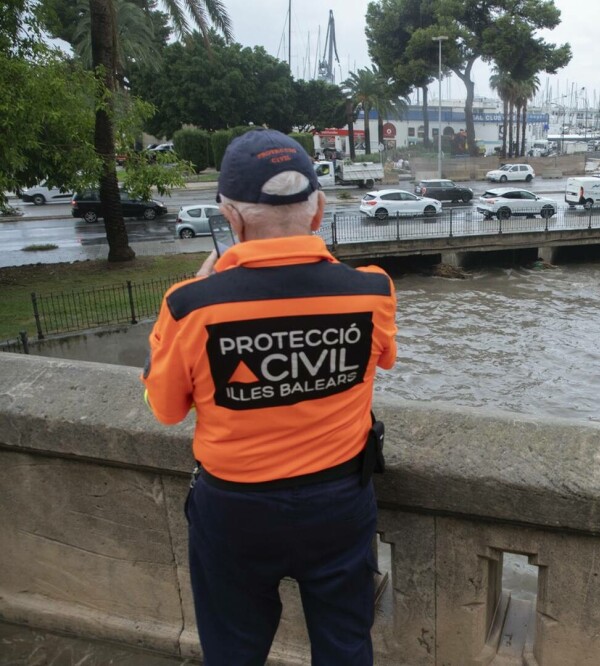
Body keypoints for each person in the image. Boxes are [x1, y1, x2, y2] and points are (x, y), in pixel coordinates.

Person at [141, 128, 397, 665]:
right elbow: (382, 360)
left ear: (230, 218)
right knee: (346, 645)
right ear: (319, 209)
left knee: (234, 650)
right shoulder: (372, 291)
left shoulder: (191, 306)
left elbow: (165, 409)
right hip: (339, 502)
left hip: (234, 511)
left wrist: (185, 302)